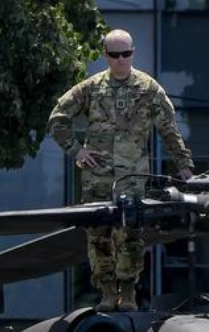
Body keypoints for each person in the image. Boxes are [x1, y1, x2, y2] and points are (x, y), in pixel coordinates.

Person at [49, 29, 194, 311]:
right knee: (98, 234)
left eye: (126, 54)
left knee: (130, 234)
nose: (121, 60)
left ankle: (127, 291)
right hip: (98, 178)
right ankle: (106, 291)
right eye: (114, 55)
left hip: (132, 178)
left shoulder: (148, 88)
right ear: (105, 55)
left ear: (133, 53)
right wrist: (77, 150)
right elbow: (58, 118)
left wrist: (184, 166)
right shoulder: (91, 88)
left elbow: (169, 130)